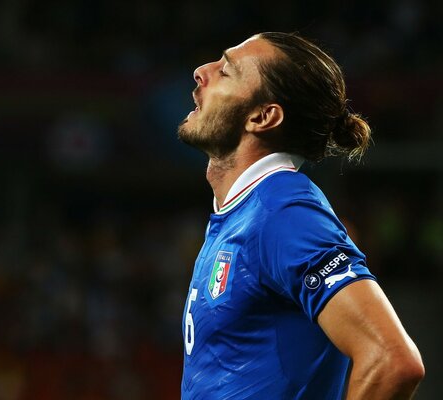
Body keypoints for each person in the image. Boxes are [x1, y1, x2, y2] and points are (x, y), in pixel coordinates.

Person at [177, 32, 424, 399]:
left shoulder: (282, 211)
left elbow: (392, 360)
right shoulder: (244, 213)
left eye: (226, 71)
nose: (201, 71)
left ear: (263, 117)